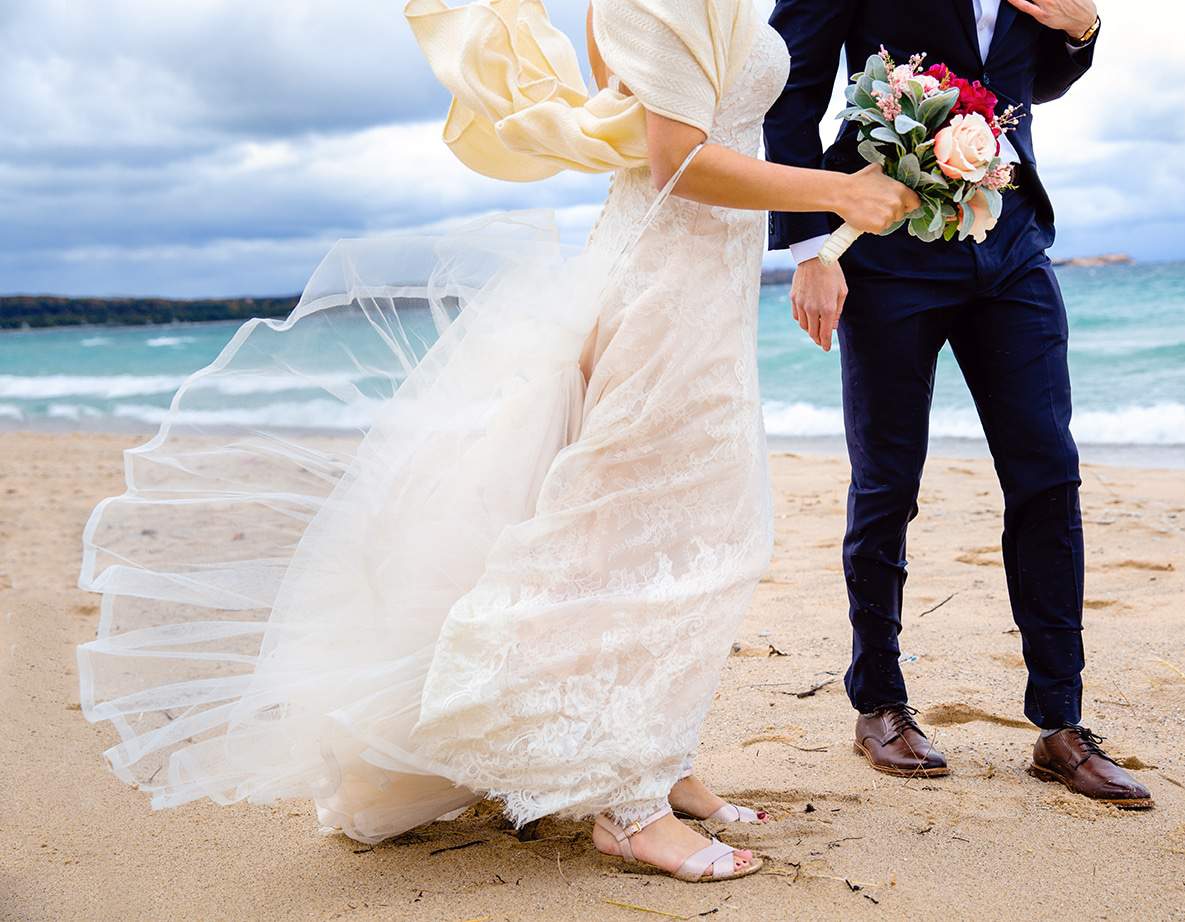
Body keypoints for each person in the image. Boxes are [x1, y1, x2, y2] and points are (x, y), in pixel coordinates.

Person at [75, 0, 919, 884]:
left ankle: (659, 761)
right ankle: (626, 809)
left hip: (711, 285)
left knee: (693, 528)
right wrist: (836, 190)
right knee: (631, 535)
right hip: (666, 288)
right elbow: (676, 159)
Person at [763, 0, 1152, 807]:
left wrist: (1081, 32)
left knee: (1049, 473)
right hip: (887, 253)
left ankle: (1061, 723)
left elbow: (1025, 83)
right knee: (887, 483)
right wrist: (809, 247)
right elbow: (791, 88)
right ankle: (878, 703)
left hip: (1012, 249)